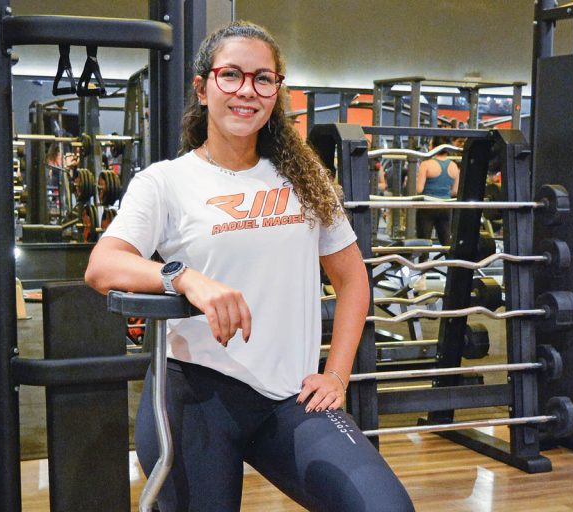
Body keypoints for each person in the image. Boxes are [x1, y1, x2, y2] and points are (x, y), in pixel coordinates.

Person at [84, 20, 414, 512]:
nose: (247, 91)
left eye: (263, 79)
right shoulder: (166, 182)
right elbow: (103, 265)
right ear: (203, 88)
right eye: (231, 75)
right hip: (196, 396)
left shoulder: (305, 178)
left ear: (276, 92)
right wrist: (184, 278)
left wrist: (337, 375)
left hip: (290, 398)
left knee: (386, 507)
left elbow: (352, 281)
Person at [415, 135, 460, 249]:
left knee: (424, 243)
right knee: (446, 242)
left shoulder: (426, 164)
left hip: (427, 206)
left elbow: (419, 189)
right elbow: (455, 191)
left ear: (433, 147)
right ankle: (451, 260)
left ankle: (424, 260)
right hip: (445, 206)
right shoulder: (454, 166)